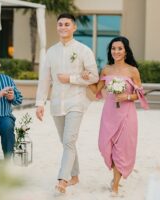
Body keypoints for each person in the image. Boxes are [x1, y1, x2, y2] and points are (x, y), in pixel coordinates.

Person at [35, 13, 99, 194]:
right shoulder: (51, 52)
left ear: (74, 27)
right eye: (60, 24)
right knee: (66, 142)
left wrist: (71, 78)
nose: (63, 27)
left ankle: (62, 179)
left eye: (67, 24)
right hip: (56, 103)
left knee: (69, 140)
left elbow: (94, 76)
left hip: (77, 101)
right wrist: (40, 103)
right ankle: (75, 175)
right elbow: (44, 80)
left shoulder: (83, 50)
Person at [82, 36, 148, 196]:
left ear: (126, 51)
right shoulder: (106, 69)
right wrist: (85, 79)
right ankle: (115, 176)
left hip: (127, 114)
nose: (116, 51)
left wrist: (126, 97)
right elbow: (96, 90)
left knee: (121, 149)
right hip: (109, 113)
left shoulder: (133, 71)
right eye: (113, 48)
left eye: (119, 48)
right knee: (107, 146)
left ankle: (115, 185)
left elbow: (140, 94)